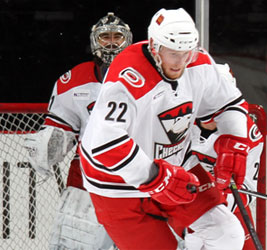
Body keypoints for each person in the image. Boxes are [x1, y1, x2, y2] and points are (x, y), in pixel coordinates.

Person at [78, 8, 248, 249]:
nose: (181, 62)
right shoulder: (128, 76)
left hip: (178, 169)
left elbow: (230, 103)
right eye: (173, 53)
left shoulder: (198, 62)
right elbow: (105, 144)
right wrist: (156, 178)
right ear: (155, 47)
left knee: (227, 234)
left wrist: (234, 143)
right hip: (117, 185)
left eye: (186, 52)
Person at [23, 12, 131, 250]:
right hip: (87, 174)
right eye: (105, 37)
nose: (111, 42)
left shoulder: (147, 76)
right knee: (75, 243)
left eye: (117, 37)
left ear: (128, 41)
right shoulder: (74, 80)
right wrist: (50, 143)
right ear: (95, 42)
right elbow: (61, 127)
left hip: (136, 174)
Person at [188, 116, 264, 250]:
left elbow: (246, 191)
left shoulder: (246, 132)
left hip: (228, 208)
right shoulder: (177, 115)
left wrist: (210, 209)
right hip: (176, 201)